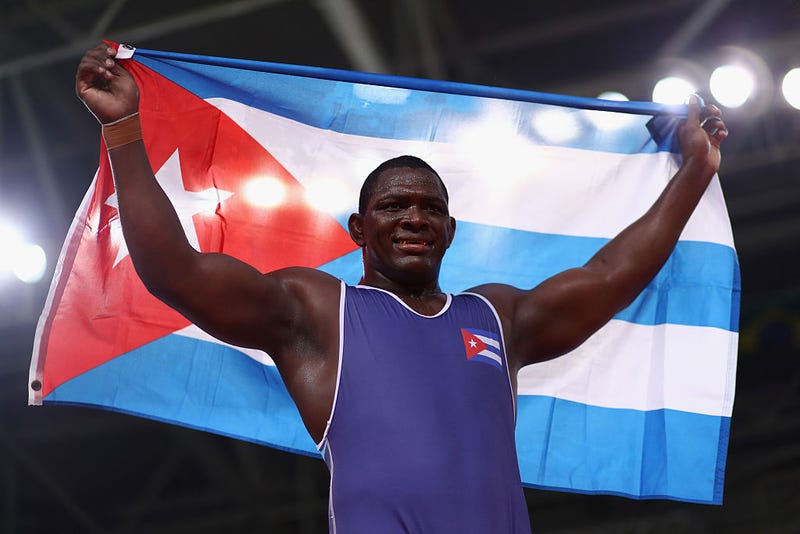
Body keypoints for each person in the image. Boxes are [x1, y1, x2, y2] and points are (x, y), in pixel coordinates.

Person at [76, 43, 727, 533]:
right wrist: (123, 132)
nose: (413, 216)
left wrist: (694, 172)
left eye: (428, 208)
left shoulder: (496, 316)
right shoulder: (317, 312)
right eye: (394, 206)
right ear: (360, 227)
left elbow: (611, 276)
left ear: (449, 229)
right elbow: (175, 271)